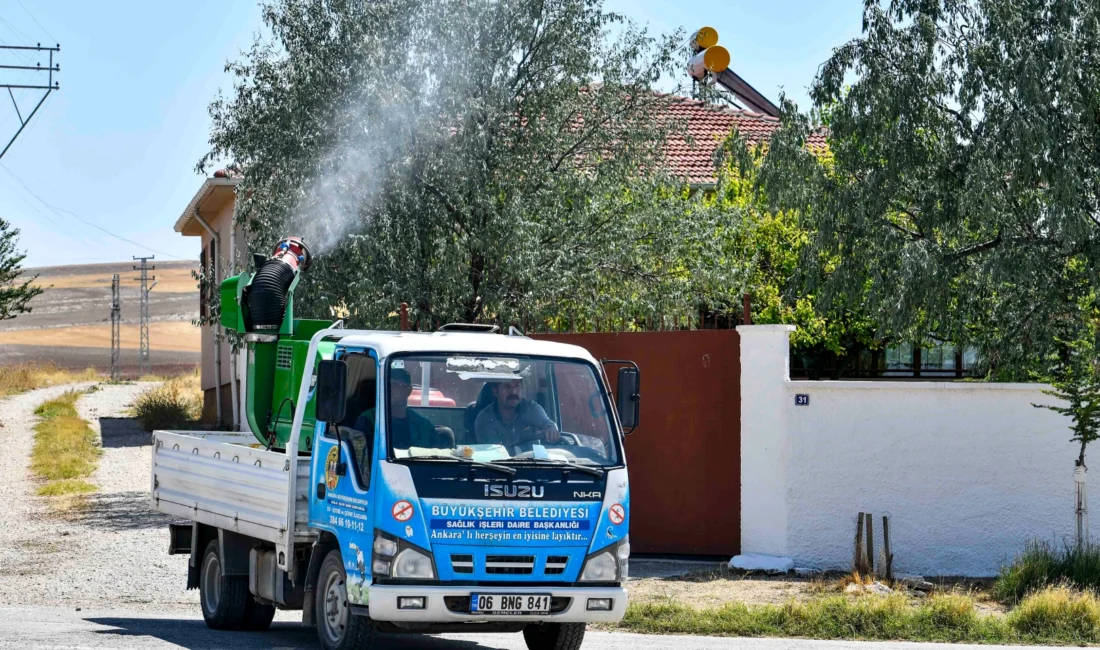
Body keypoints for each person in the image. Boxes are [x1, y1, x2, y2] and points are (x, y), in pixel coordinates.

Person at [354, 368, 448, 449]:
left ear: (408, 390)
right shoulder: (368, 420)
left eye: (394, 384)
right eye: (386, 385)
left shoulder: (423, 426)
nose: (389, 389)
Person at [474, 377, 560, 449]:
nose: (513, 392)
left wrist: (551, 428)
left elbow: (549, 425)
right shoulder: (484, 419)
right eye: (507, 387)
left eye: (517, 386)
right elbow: (493, 455)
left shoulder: (531, 408)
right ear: (495, 391)